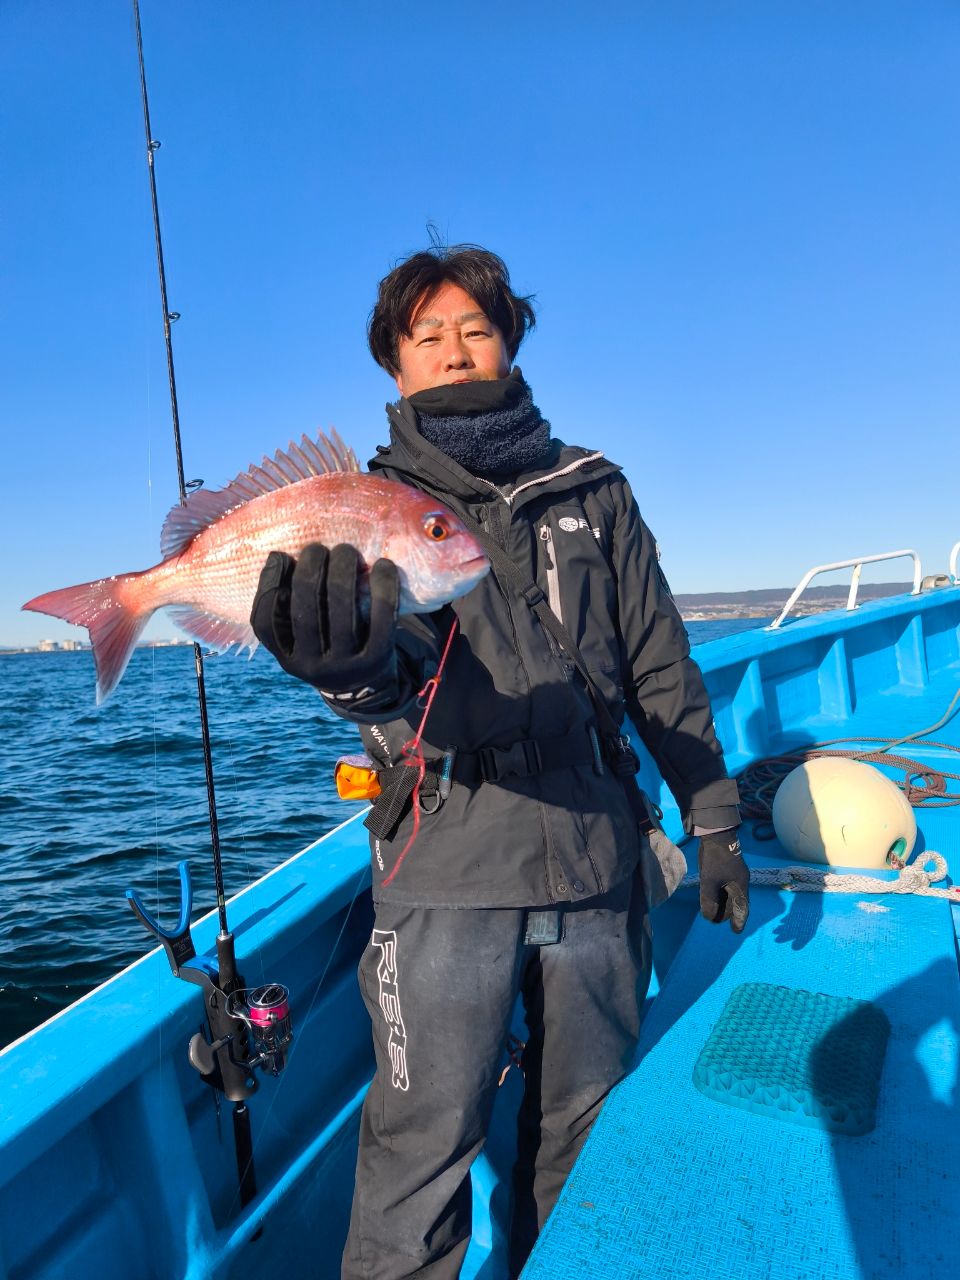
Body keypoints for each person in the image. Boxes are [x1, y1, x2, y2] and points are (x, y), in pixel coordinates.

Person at [250, 244, 748, 1280]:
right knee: (417, 1158)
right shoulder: (369, 504)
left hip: (595, 856)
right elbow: (393, 677)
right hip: (446, 864)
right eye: (425, 334)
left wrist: (714, 817)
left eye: (474, 327)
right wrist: (345, 670)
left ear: (511, 344)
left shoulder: (594, 489)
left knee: (584, 1132)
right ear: (394, 364)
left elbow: (658, 660)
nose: (452, 348)